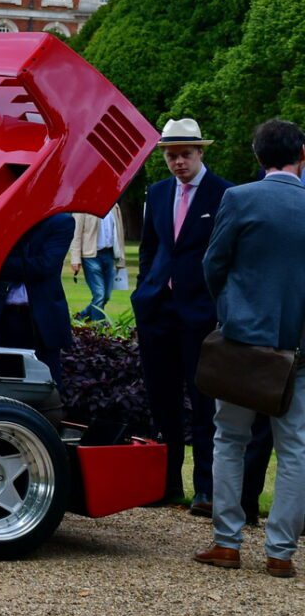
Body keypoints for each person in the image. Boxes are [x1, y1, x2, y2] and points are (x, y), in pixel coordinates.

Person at [194, 118, 305, 578]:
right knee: (296, 449)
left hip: (242, 340)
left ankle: (227, 542)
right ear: (302, 155)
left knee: (230, 440)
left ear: (258, 158)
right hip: (297, 344)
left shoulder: (239, 197)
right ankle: (280, 551)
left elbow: (213, 263)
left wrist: (232, 310)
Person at [132, 117, 233, 514]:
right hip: (158, 309)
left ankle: (205, 489)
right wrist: (145, 290)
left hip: (201, 312)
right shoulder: (157, 194)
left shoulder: (224, 194)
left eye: (185, 154)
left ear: (200, 152)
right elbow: (150, 249)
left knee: (204, 401)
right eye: (171, 156)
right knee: (163, 401)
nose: (178, 162)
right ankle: (167, 484)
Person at [0, 214, 75, 388]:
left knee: (46, 387)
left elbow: (45, 266)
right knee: (0, 385)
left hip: (40, 319)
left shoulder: (60, 221)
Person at [70, 206, 126, 322]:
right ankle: (98, 327)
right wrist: (75, 258)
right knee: (99, 294)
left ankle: (82, 315)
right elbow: (76, 234)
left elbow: (119, 233)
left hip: (109, 255)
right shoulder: (83, 206)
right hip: (90, 256)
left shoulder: (114, 206)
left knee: (106, 296)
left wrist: (122, 258)